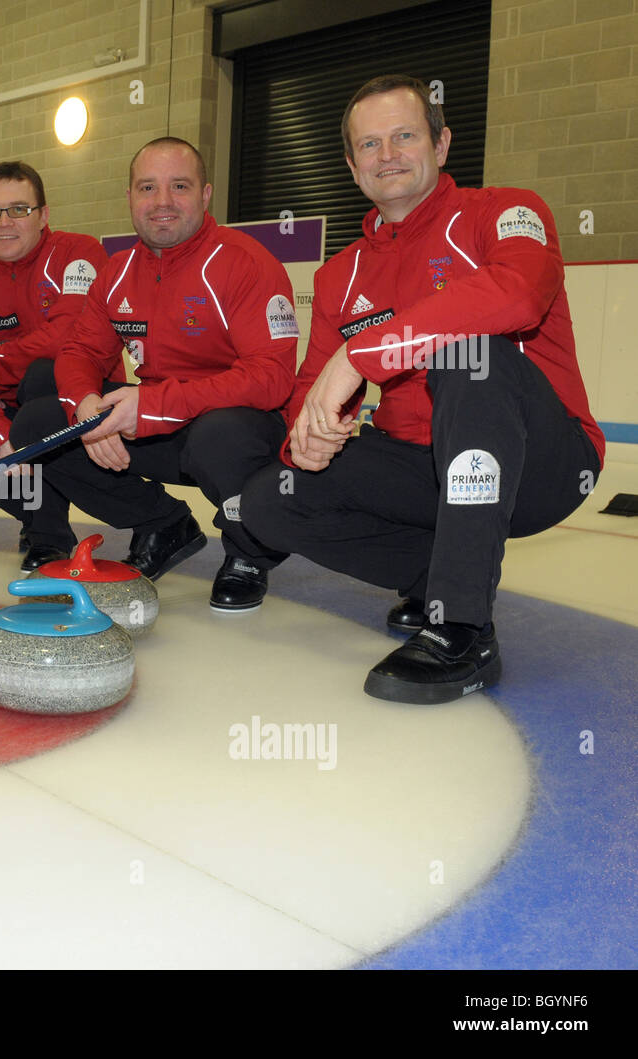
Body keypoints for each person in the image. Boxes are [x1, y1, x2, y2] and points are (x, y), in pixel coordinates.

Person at [239, 75, 604, 704]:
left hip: (542, 462)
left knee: (471, 357)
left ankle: (461, 626)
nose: (389, 155)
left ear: (441, 143)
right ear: (353, 168)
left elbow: (516, 294)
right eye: (370, 145)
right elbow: (311, 393)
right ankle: (440, 575)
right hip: (423, 466)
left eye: (404, 136)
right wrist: (311, 438)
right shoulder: (338, 276)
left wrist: (364, 354)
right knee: (275, 497)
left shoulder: (507, 212)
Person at [10, 137, 297, 608]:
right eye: (147, 188)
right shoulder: (118, 271)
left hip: (234, 428)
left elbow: (272, 378)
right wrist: (86, 408)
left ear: (205, 196)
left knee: (221, 433)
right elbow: (79, 350)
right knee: (41, 424)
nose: (162, 202)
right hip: (158, 422)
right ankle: (164, 524)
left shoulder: (245, 263)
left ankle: (250, 551)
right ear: (129, 198)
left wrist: (156, 405)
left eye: (178, 186)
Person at [0, 160, 113, 570]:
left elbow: (67, 336)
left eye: (18, 209)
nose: (2, 223)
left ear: (44, 215)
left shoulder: (79, 255)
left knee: (42, 375)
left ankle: (48, 536)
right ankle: (42, 521)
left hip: (76, 401)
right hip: (11, 411)